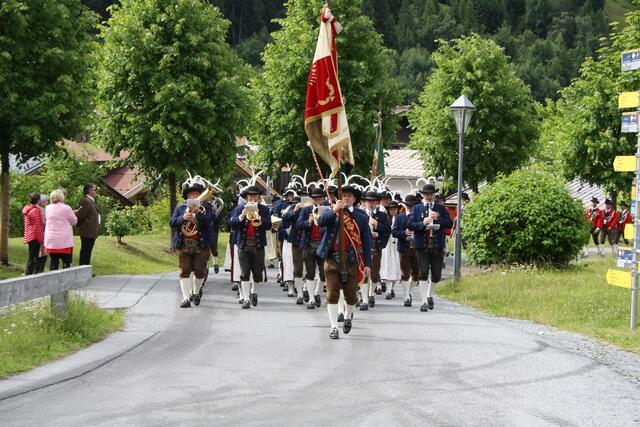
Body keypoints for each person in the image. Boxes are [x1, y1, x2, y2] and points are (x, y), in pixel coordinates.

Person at [317, 185, 372, 339]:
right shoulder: (330, 212)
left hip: (352, 260)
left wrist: (367, 263)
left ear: (355, 199)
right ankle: (334, 326)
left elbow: (366, 242)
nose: (346, 198)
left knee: (351, 295)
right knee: (332, 293)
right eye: (344, 195)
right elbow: (320, 222)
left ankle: (348, 316)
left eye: (349, 196)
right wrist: (335, 210)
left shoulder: (361, 217)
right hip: (332, 259)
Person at [170, 178, 214, 308]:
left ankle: (195, 292)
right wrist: (183, 217)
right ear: (187, 196)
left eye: (196, 194)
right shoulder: (180, 208)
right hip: (183, 245)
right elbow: (172, 223)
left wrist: (198, 214)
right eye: (191, 194)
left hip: (201, 245)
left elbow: (210, 222)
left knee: (200, 272)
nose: (194, 196)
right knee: (185, 271)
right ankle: (185, 298)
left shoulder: (206, 208)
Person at [409, 184, 453, 312]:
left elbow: (449, 223)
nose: (428, 196)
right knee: (423, 272)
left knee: (436, 274)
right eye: (426, 194)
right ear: (423, 195)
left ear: (434, 195)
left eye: (431, 194)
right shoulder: (417, 208)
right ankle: (423, 301)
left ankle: (429, 295)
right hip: (422, 244)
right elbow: (410, 225)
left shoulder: (440, 208)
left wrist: (438, 218)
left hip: (437, 244)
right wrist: (423, 223)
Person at [229, 185, 272, 309]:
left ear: (258, 197)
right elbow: (231, 224)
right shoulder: (239, 208)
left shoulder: (263, 209)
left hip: (258, 245)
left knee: (258, 273)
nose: (252, 198)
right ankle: (246, 299)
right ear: (246, 197)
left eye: (255, 195)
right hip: (243, 244)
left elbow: (269, 225)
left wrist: (259, 217)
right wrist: (241, 216)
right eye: (250, 196)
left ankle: (254, 291)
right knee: (244, 272)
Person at [297, 187, 327, 309]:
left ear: (323, 199)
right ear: (312, 199)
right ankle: (311, 299)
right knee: (310, 272)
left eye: (320, 199)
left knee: (324, 273)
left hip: (322, 244)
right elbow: (298, 225)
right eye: (316, 199)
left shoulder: (327, 210)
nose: (318, 201)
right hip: (309, 244)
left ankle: (317, 293)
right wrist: (308, 222)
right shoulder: (306, 210)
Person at [360, 190, 390, 310]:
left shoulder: (382, 215)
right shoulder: (361, 214)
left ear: (377, 202)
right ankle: (364, 298)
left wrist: (377, 225)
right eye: (368, 202)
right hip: (362, 247)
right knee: (363, 272)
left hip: (376, 246)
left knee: (374, 272)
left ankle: (371, 294)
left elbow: (387, 230)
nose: (371, 204)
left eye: (373, 202)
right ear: (365, 202)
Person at [392, 194, 420, 306]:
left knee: (417, 274)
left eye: (413, 206)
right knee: (405, 273)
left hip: (416, 247)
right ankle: (406, 296)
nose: (411, 207)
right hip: (403, 247)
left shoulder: (419, 217)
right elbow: (394, 232)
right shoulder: (400, 217)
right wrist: (404, 233)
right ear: (406, 205)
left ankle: (409, 291)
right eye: (409, 205)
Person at [44, 189, 77, 270]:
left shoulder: (47, 208)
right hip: (64, 241)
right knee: (66, 263)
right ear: (62, 197)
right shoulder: (66, 208)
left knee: (53, 262)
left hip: (51, 241)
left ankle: (53, 279)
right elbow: (74, 221)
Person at [283, 194, 306, 304]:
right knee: (295, 267)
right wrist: (295, 210)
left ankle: (306, 289)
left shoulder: (309, 208)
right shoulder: (292, 208)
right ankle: (297, 290)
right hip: (294, 241)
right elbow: (285, 219)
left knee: (308, 268)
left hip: (307, 241)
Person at [381, 201, 401, 299]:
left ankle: (392, 288)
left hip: (397, 244)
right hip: (387, 245)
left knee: (396, 266)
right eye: (391, 209)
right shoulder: (385, 219)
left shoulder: (400, 219)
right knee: (388, 266)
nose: (393, 211)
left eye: (395, 209)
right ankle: (388, 290)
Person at [76, 183, 100, 266]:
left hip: (90, 231)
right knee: (85, 251)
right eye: (95, 190)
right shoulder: (86, 201)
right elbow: (80, 216)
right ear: (90, 191)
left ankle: (85, 270)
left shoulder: (90, 201)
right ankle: (82, 270)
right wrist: (80, 227)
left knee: (88, 251)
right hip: (87, 231)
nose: (96, 191)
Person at [23, 192, 44, 275]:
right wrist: (41, 240)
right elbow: (37, 227)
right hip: (34, 237)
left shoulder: (28, 208)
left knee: (32, 256)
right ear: (38, 200)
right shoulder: (35, 210)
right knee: (33, 257)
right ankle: (29, 273)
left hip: (30, 235)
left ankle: (30, 272)